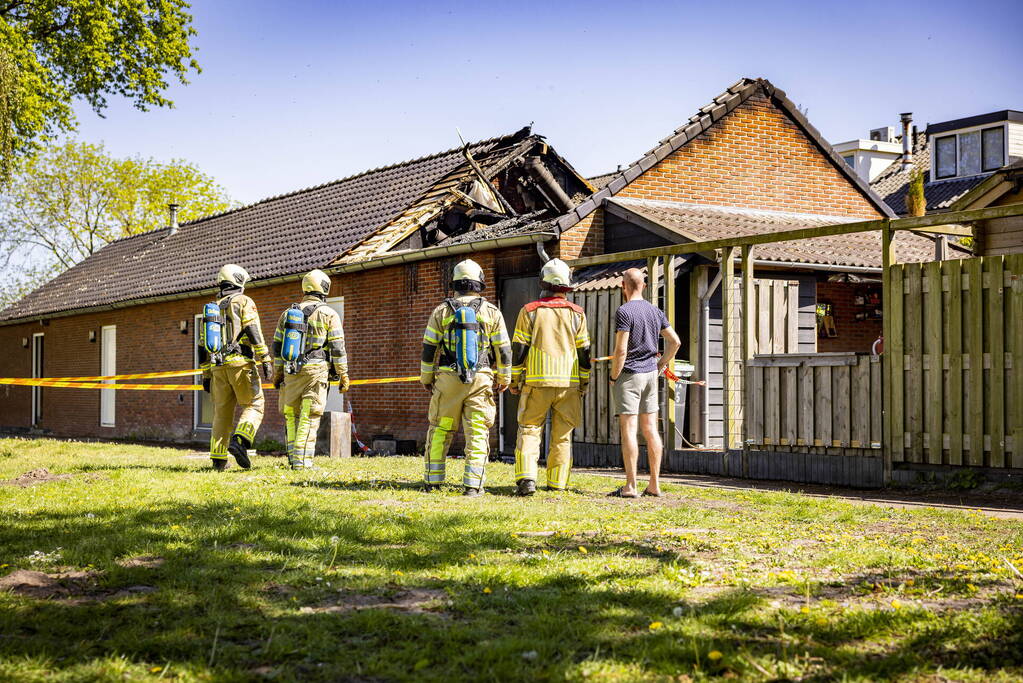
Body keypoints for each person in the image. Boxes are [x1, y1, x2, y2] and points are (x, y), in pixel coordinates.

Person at [420, 259, 511, 496]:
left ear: (455, 283)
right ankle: (473, 485)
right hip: (480, 378)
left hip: (448, 378)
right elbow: (503, 349)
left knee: (441, 428)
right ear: (479, 282)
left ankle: (433, 481)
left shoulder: (441, 311)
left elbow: (429, 348)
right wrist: (504, 376)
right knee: (477, 431)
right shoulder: (492, 311)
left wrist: (426, 377)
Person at [510, 258, 591, 495]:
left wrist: (515, 380)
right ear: (567, 285)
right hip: (569, 384)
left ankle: (527, 478)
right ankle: (557, 483)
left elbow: (519, 349)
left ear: (542, 282)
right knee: (563, 435)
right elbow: (584, 352)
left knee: (529, 429)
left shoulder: (529, 311)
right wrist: (584, 380)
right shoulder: (578, 313)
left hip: (537, 382)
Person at [609, 267, 681, 497]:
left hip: (629, 374)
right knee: (651, 429)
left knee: (629, 429)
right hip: (651, 375)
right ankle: (654, 484)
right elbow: (675, 342)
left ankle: (631, 486)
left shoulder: (624, 311)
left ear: (623, 286)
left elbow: (621, 350)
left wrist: (613, 376)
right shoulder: (655, 311)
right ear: (644, 286)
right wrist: (661, 365)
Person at [271, 269, 350, 470]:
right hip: (315, 371)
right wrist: (343, 374)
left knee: (291, 415)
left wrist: (278, 373)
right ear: (324, 288)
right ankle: (302, 462)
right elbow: (337, 347)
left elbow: (277, 348)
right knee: (310, 415)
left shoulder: (287, 314)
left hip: (290, 371)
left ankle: (292, 457)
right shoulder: (328, 313)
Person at [199, 264, 274, 471]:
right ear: (239, 280)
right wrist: (265, 357)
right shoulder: (243, 301)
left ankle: (218, 460)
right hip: (240, 363)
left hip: (217, 368)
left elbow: (202, 346)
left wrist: (206, 375)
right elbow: (251, 328)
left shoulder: (211, 309)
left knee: (221, 413)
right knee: (255, 404)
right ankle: (240, 441)